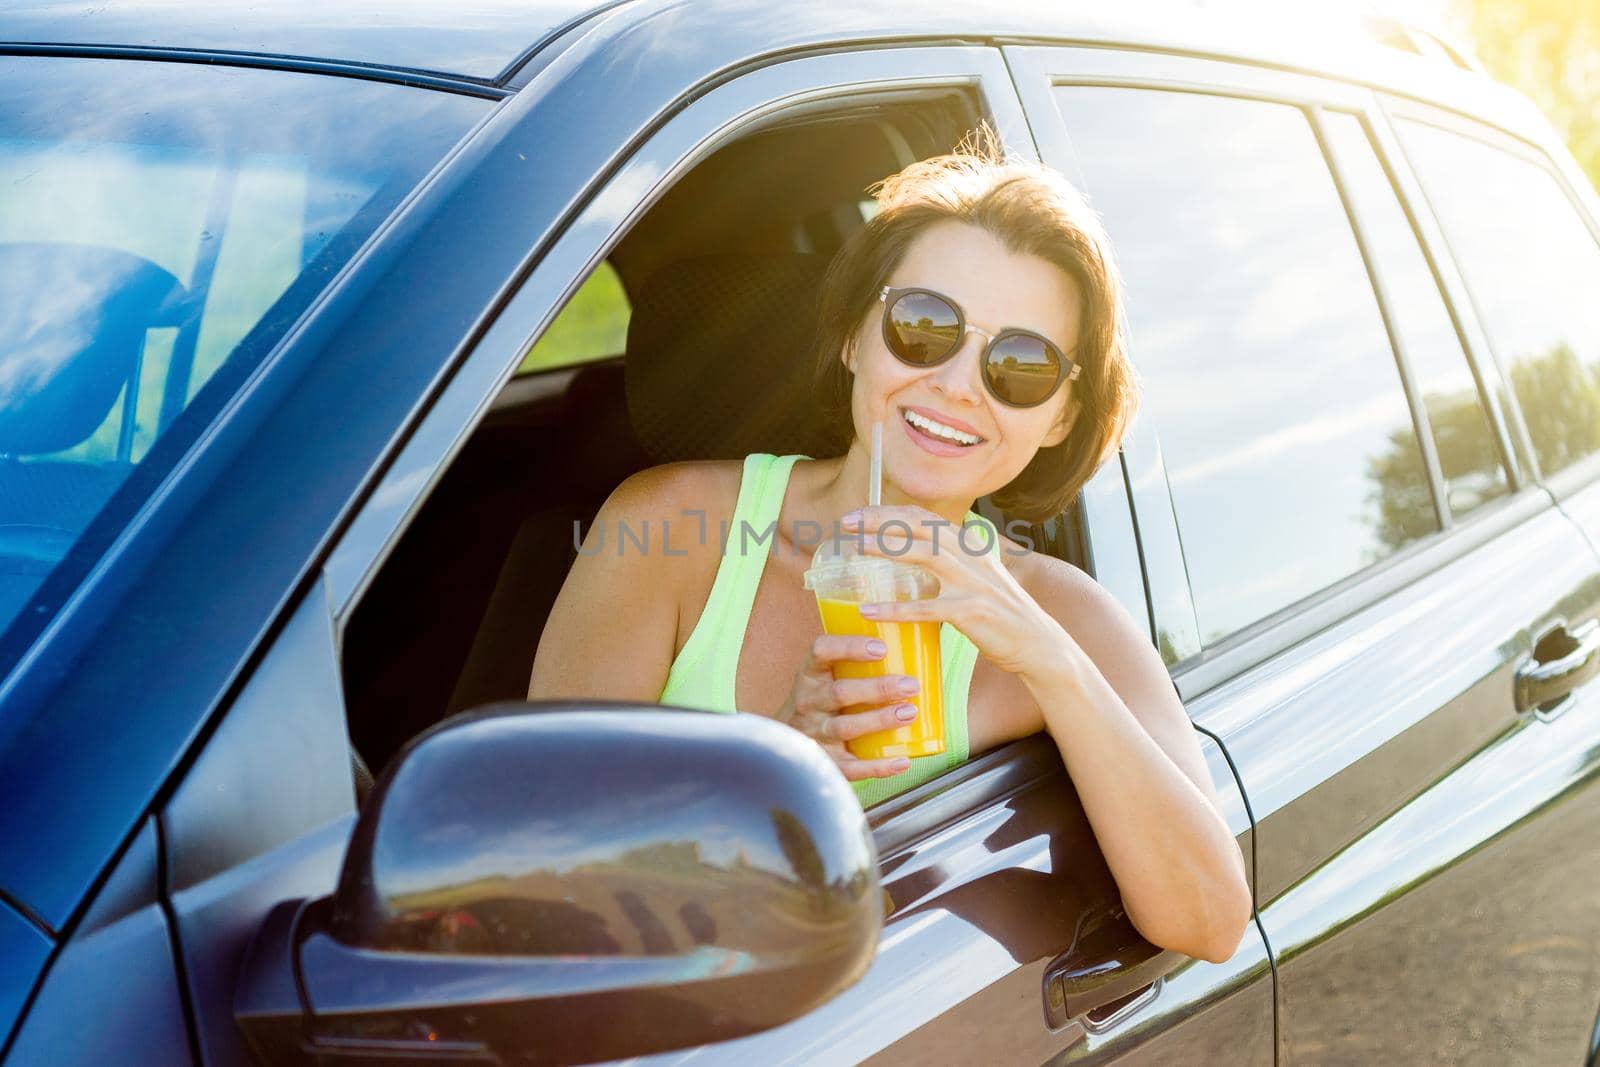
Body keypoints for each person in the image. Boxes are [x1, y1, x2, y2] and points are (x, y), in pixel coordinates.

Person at [529, 126, 1251, 963]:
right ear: (852, 336)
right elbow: (542, 863)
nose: (954, 385)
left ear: (1059, 413)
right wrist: (780, 759)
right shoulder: (671, 530)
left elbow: (1208, 920)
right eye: (924, 324)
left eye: (1019, 364)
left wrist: (1047, 660)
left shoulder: (1056, 615)